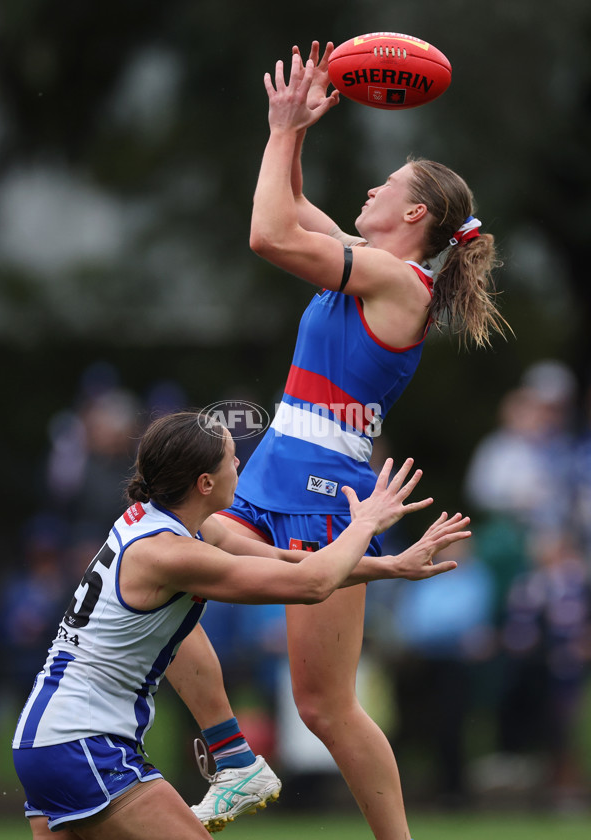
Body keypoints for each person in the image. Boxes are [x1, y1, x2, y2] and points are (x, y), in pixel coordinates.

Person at [183, 42, 511, 840]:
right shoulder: (371, 261)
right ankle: (233, 755)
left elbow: (267, 235)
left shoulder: (399, 282)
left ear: (415, 217)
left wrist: (282, 131)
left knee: (326, 706)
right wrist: (291, 128)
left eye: (387, 186)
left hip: (325, 494)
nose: (371, 189)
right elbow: (290, 210)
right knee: (158, 562)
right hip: (271, 476)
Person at [12, 410, 470, 840]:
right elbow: (310, 584)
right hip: (82, 745)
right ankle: (234, 756)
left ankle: (234, 756)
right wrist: (364, 524)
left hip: (46, 739)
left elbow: (288, 561)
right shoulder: (170, 554)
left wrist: (392, 565)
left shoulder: (173, 525)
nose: (239, 462)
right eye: (231, 456)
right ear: (205, 482)